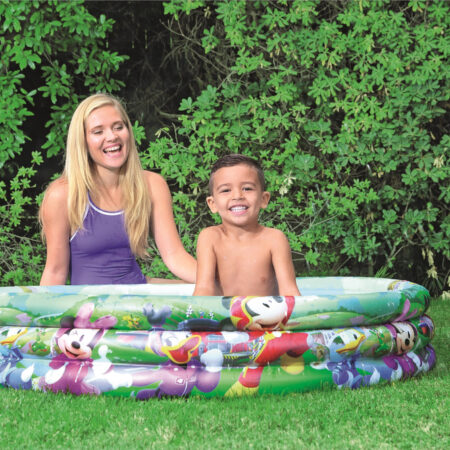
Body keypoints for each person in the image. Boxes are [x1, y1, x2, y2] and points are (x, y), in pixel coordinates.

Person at [39, 93, 196, 285]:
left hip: (137, 295)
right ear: (83, 141)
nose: (112, 136)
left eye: (118, 127)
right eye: (98, 131)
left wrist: (218, 284)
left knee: (209, 290)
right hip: (89, 303)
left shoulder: (152, 184)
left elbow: (175, 255)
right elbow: (55, 272)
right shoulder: (63, 195)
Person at [193, 154, 301, 296]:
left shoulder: (274, 239)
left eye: (247, 188)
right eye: (226, 190)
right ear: (212, 204)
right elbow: (204, 289)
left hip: (265, 310)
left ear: (264, 199)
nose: (237, 196)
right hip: (222, 311)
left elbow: (289, 290)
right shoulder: (210, 238)